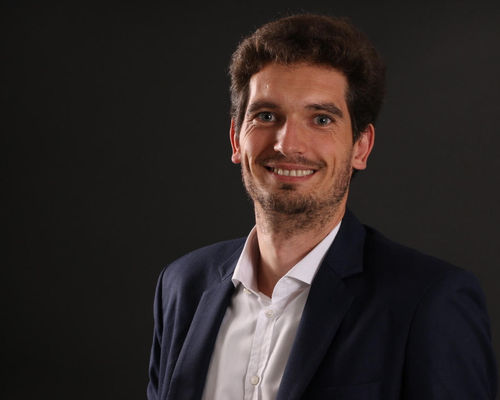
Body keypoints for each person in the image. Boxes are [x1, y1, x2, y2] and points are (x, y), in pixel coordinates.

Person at [147, 14, 497, 400]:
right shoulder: (182, 285)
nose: (287, 144)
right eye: (266, 116)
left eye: (321, 119)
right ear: (235, 138)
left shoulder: (429, 302)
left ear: (361, 147)